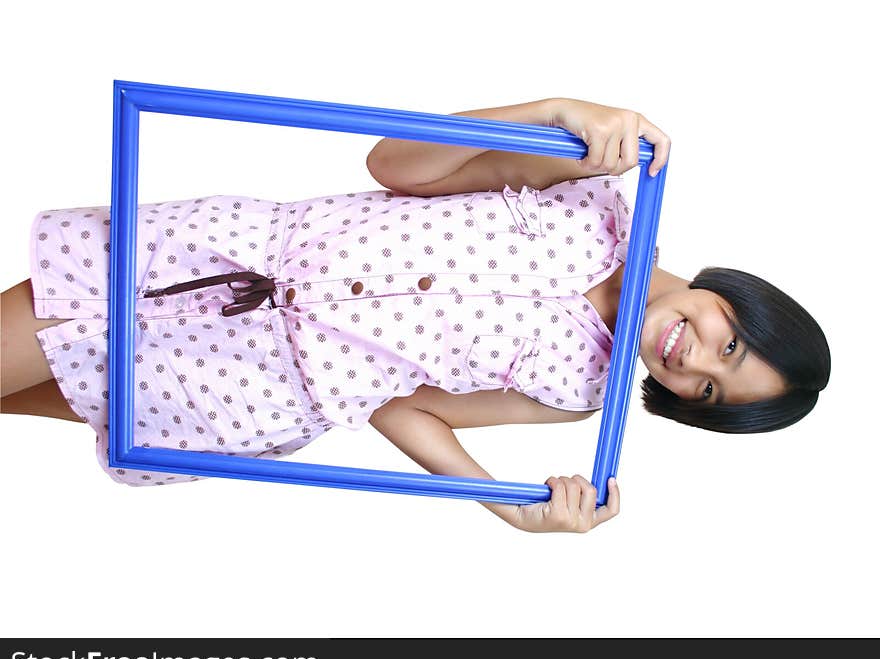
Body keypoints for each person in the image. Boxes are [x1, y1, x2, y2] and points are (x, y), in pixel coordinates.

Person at [0, 97, 831, 534]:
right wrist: (550, 112)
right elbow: (392, 162)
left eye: (713, 389)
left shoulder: (581, 390)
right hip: (221, 259)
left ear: (689, 407)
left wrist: (500, 502)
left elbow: (406, 405)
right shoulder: (596, 196)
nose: (699, 358)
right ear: (738, 296)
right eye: (734, 340)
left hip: (246, 389)